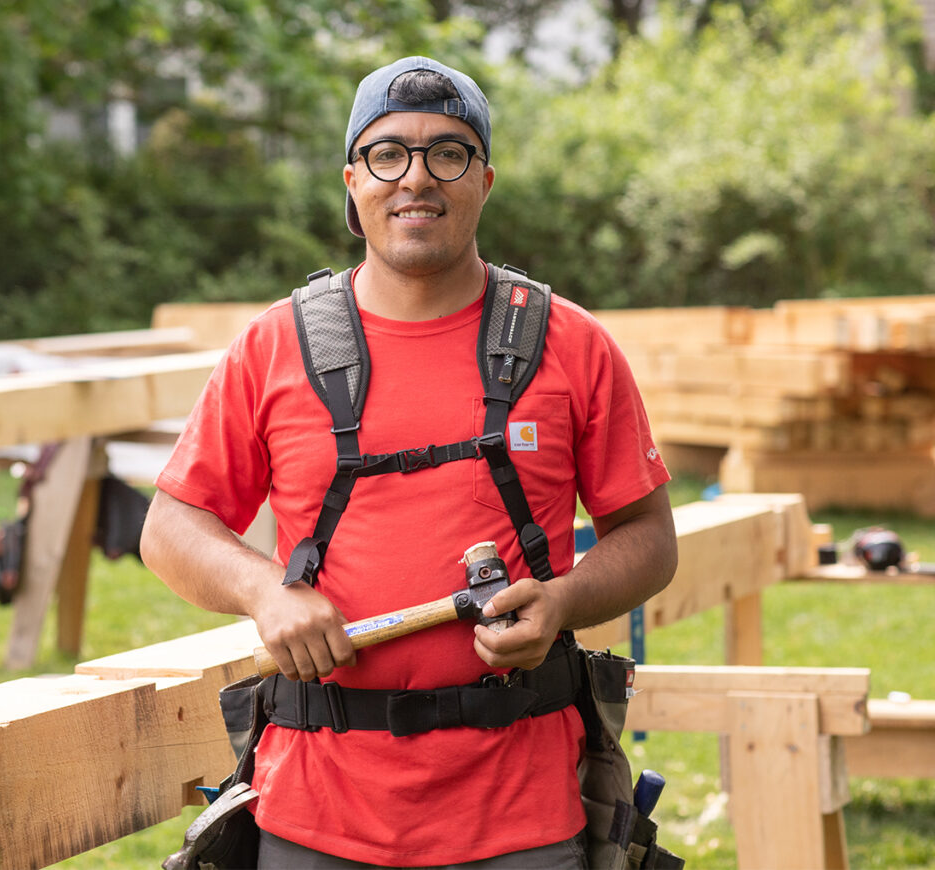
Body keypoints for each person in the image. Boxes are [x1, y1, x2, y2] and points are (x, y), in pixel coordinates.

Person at [141, 55, 677, 869]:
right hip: (313, 811)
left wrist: (562, 601)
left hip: (524, 815)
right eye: (389, 155)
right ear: (352, 182)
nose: (416, 179)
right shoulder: (272, 347)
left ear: (485, 180)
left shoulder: (571, 345)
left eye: (448, 153)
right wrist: (265, 593)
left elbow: (649, 536)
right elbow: (170, 525)